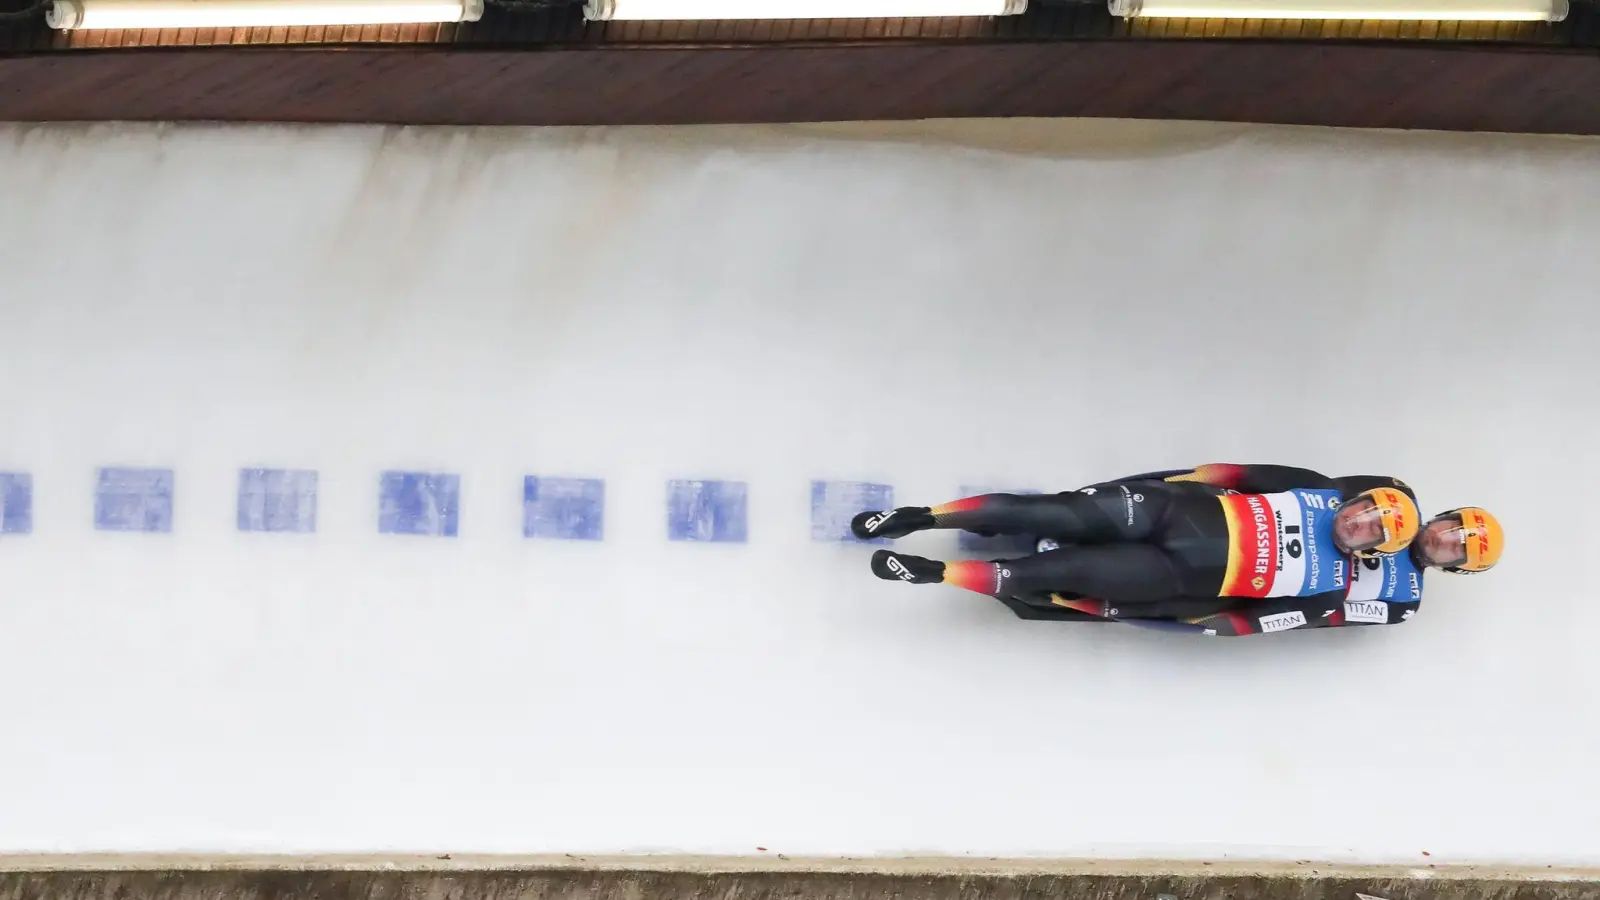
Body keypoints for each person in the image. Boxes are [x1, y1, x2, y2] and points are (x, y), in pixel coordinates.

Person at [851, 463, 1423, 625]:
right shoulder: (1317, 489)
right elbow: (1229, 472)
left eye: (1373, 527)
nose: (1360, 519)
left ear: (1372, 550)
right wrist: (1164, 481)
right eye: (1366, 507)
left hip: (1171, 575)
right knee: (1049, 511)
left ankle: (932, 572)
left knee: (1047, 574)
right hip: (1176, 511)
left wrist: (1171, 616)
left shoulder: (1327, 591)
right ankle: (919, 516)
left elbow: (1247, 621)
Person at [1039, 505, 1505, 636]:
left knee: (1170, 595)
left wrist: (1251, 620)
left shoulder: (1402, 602)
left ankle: (1066, 590)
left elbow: (1326, 617)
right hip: (1248, 537)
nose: (1445, 539)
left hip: (1252, 588)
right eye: (1452, 527)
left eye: (1456, 551)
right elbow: (1330, 495)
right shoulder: (1394, 501)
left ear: (1455, 569)